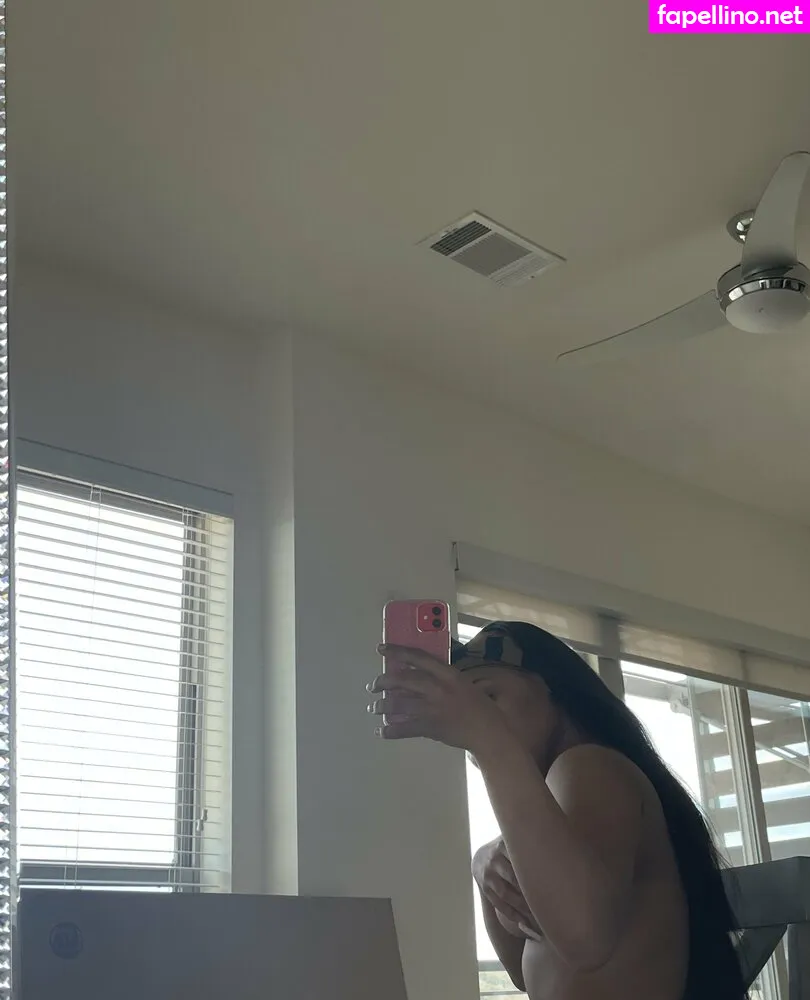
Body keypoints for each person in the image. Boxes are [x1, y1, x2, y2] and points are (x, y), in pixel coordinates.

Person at [367, 620, 746, 1000]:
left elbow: (585, 938)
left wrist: (489, 739)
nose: (474, 724)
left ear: (549, 686)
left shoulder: (591, 765)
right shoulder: (562, 800)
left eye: (487, 699)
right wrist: (483, 868)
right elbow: (525, 970)